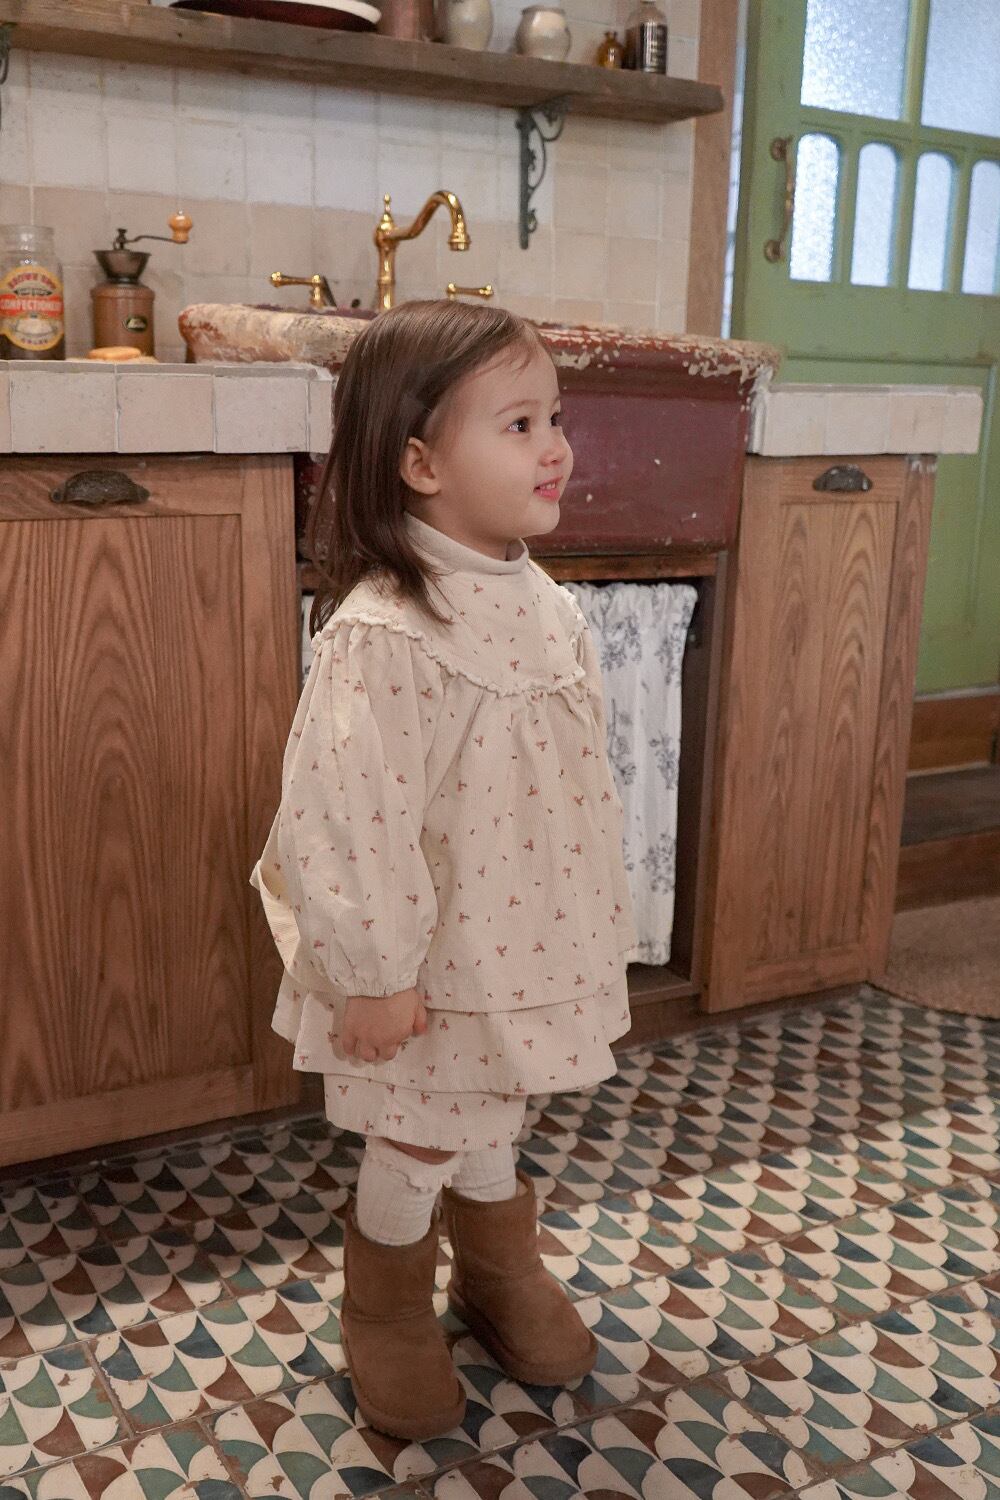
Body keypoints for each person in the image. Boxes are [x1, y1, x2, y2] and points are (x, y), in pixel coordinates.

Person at [250, 299, 638, 1442]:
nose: (554, 447)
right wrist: (373, 972)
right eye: (518, 424)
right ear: (419, 464)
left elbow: (566, 779)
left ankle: (495, 1268)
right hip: (427, 962)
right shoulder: (385, 633)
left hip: (519, 940)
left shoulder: (544, 603)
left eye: (554, 418)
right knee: (421, 1124)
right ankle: (383, 1303)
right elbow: (347, 821)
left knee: (493, 1099)